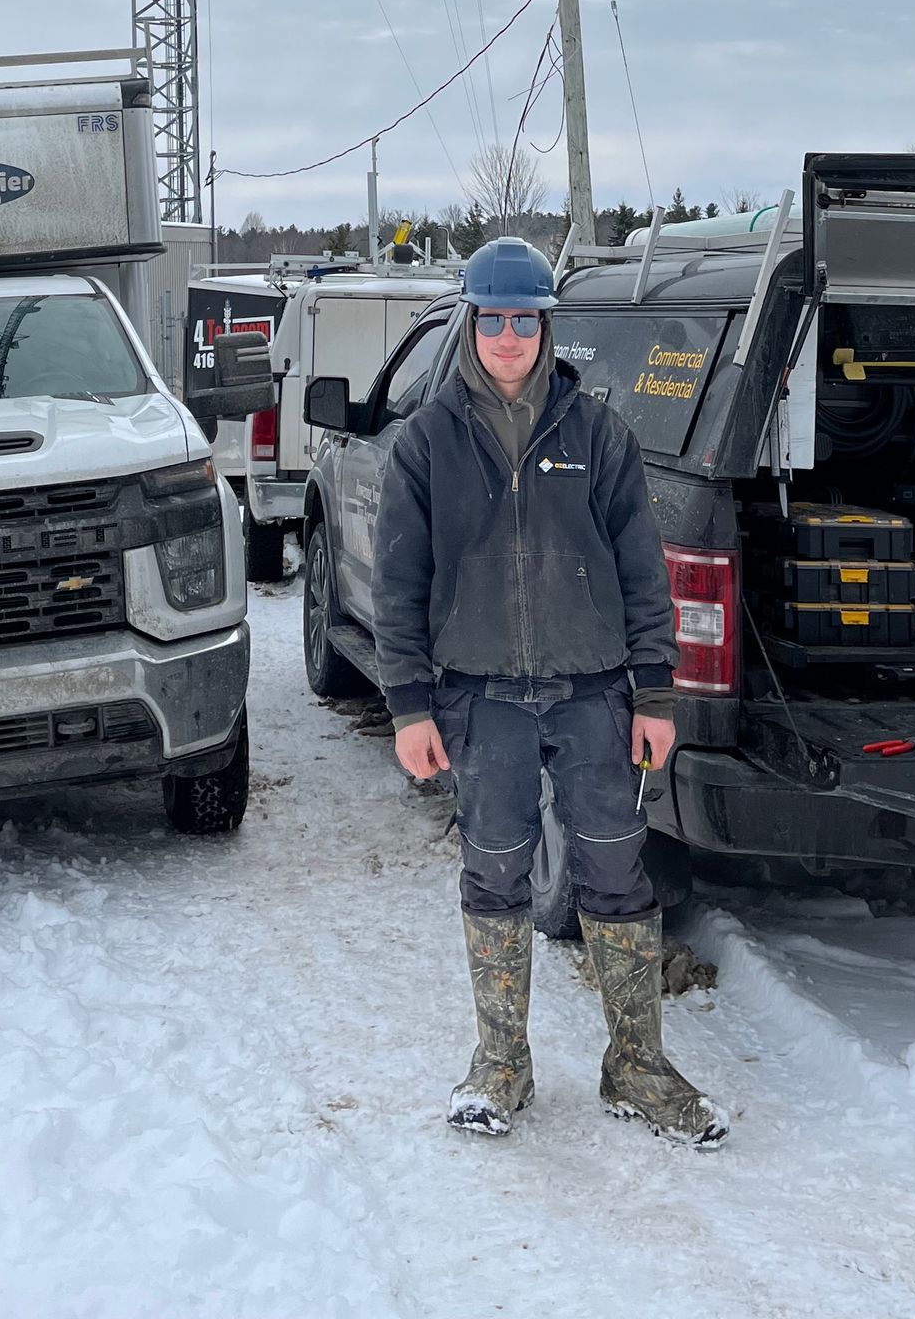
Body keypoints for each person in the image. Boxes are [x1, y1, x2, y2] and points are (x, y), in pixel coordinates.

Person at [372, 236, 728, 1149]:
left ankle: (637, 1067)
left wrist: (656, 696)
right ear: (471, 324)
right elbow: (398, 586)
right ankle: (501, 1064)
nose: (506, 337)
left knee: (615, 868)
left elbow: (647, 577)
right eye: (490, 319)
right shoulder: (427, 442)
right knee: (494, 870)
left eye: (522, 319)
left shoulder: (598, 434)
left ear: (544, 325)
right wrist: (410, 707)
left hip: (594, 693)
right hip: (478, 698)